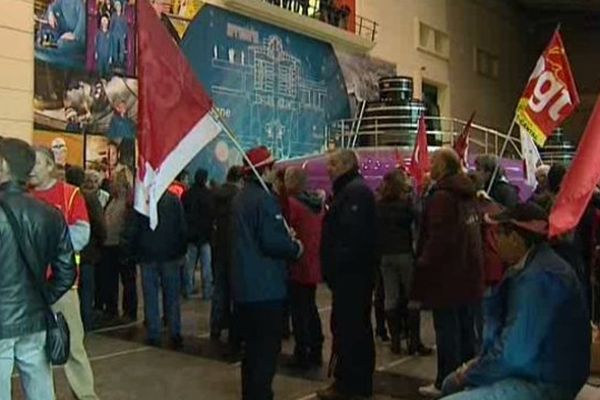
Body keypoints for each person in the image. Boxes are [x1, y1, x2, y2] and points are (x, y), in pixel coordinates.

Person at [442, 203, 590, 400]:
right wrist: (477, 366)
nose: (495, 241)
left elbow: (515, 355)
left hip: (547, 381)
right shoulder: (530, 268)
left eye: (498, 234)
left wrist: (471, 374)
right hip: (538, 370)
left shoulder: (540, 279)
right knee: (450, 384)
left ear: (515, 239)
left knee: (451, 390)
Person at [0, 138, 76, 400]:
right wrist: (42, 297)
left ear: (4, 165)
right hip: (36, 319)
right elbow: (67, 271)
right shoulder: (50, 214)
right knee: (42, 393)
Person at [231, 146, 303, 400]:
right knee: (265, 352)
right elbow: (271, 242)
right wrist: (294, 247)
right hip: (265, 287)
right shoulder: (264, 199)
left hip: (244, 288)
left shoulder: (240, 198)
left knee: (250, 353)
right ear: (266, 170)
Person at [412, 148, 484, 398]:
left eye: (434, 161)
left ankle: (446, 381)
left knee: (447, 332)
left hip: (446, 276)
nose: (430, 165)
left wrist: (423, 262)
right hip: (468, 274)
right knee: (466, 331)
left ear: (444, 167)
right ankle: (466, 379)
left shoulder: (442, 197)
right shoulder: (468, 194)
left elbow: (438, 237)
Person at [29, 146, 99, 400]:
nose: (32, 168)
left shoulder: (70, 195)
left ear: (51, 165)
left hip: (62, 286)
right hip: (29, 287)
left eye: (37, 163)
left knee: (72, 346)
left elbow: (81, 235)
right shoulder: (22, 196)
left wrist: (41, 241)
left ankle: (85, 395)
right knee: (34, 350)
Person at [318, 149, 377, 400]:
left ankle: (351, 384)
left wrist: (336, 265)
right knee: (348, 328)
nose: (328, 168)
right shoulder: (349, 191)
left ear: (345, 165)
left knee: (352, 330)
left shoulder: (355, 193)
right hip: (349, 277)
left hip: (352, 277)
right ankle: (351, 382)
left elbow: (352, 239)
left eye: (332, 163)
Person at [122, 189, 187, 348]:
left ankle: (154, 333)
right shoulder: (174, 200)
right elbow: (182, 227)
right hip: (170, 255)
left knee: (150, 296)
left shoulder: (142, 201)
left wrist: (131, 252)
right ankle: (175, 332)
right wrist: (181, 251)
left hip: (147, 254)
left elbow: (134, 229)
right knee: (172, 296)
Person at [376, 169, 431, 356]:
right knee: (412, 297)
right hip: (404, 253)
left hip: (385, 255)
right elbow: (420, 222)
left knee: (390, 298)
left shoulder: (379, 205)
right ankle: (414, 343)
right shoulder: (406, 204)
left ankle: (395, 343)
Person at [284, 166, 325, 369]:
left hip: (298, 263)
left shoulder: (292, 205)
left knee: (300, 311)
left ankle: (303, 351)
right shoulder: (315, 205)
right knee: (310, 307)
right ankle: (316, 346)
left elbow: (286, 232)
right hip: (313, 262)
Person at [66, 166, 107, 333]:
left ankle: (73, 322)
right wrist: (101, 241)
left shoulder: (65, 196)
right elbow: (99, 224)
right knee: (86, 288)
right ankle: (86, 322)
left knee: (72, 287)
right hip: (87, 252)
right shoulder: (89, 198)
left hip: (69, 251)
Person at [210, 166, 243, 348]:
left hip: (218, 247)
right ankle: (234, 331)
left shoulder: (216, 195)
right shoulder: (239, 198)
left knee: (219, 290)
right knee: (235, 291)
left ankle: (215, 327)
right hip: (235, 249)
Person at [98, 170, 137, 323]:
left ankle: (129, 311)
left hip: (122, 246)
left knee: (127, 280)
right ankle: (111, 308)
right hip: (109, 244)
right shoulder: (112, 200)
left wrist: (126, 242)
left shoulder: (130, 203)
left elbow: (130, 225)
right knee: (111, 279)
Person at [181, 168, 215, 300]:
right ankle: (207, 292)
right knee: (206, 268)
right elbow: (212, 215)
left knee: (189, 267)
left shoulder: (187, 195)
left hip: (191, 236)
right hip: (205, 236)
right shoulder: (209, 195)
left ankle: (188, 291)